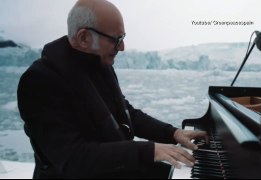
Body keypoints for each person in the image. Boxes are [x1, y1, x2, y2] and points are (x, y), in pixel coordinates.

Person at [17, 0, 208, 178]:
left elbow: (126, 113)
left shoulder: (99, 66)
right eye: (116, 39)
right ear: (84, 37)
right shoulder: (40, 81)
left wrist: (172, 133)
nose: (122, 47)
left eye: (122, 38)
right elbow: (73, 159)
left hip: (114, 166)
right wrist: (150, 150)